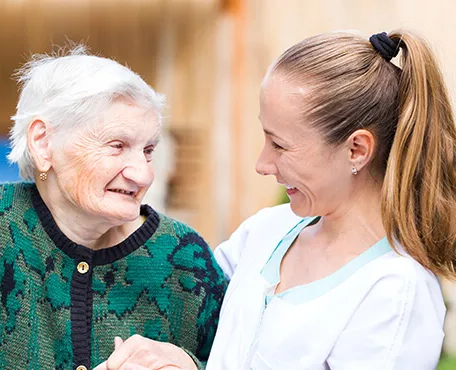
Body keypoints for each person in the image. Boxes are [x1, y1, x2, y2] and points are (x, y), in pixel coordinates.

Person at [101, 30, 456, 370]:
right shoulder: (266, 231)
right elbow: (188, 307)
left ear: (357, 150)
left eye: (280, 145)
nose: (262, 164)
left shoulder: (394, 292)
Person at [0, 46, 227, 370]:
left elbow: (241, 359)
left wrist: (189, 364)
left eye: (149, 150)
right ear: (43, 143)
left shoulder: (185, 257)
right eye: (117, 146)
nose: (142, 174)